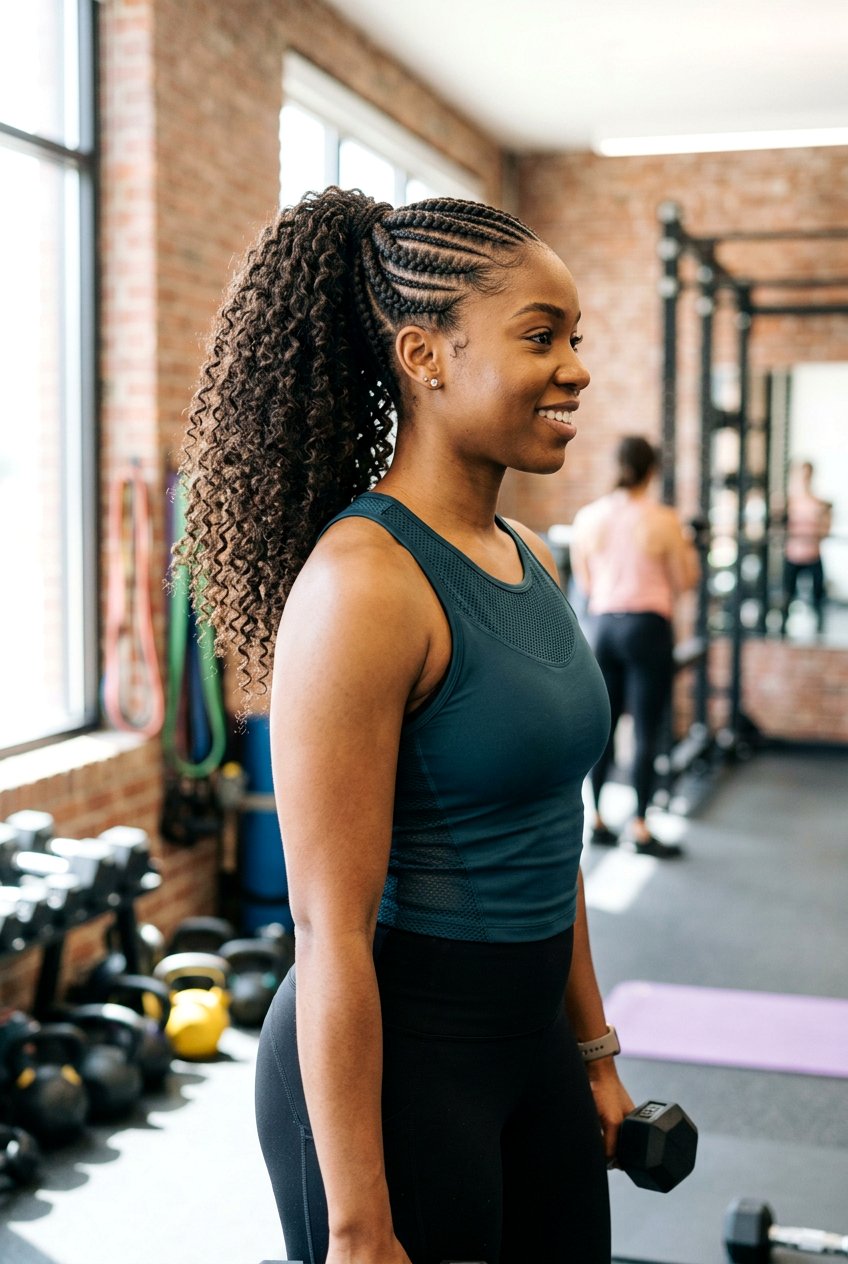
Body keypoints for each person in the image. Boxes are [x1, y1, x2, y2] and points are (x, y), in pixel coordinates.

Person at [179, 187, 633, 1264]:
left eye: (575, 338)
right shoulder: (363, 585)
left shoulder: (530, 557)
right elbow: (329, 933)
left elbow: (549, 829)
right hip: (400, 1054)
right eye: (540, 337)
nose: (574, 367)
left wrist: (593, 1049)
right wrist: (354, 1223)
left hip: (529, 1038)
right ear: (423, 355)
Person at [570, 436, 699, 859]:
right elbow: (687, 581)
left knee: (603, 728)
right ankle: (640, 827)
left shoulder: (589, 517)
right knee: (646, 730)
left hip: (602, 626)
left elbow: (584, 584)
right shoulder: (662, 519)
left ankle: (599, 819)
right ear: (651, 471)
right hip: (646, 628)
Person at [781, 459, 832, 636]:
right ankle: (782, 629)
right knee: (787, 593)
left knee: (818, 594)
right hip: (793, 554)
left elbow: (826, 529)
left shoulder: (819, 504)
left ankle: (819, 630)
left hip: (812, 554)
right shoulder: (789, 502)